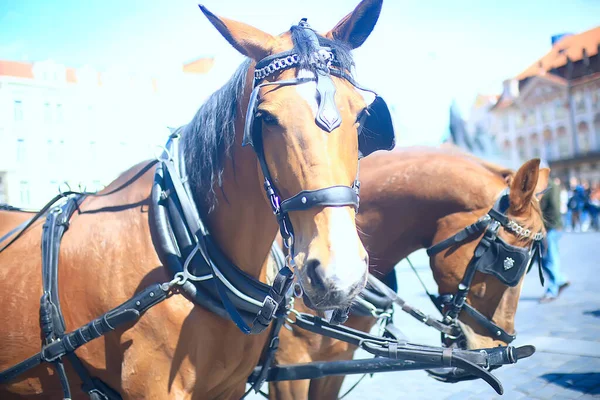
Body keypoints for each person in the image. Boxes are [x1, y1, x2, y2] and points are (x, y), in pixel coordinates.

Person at [540, 176, 571, 303]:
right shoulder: (548, 185)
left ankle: (552, 291)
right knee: (544, 259)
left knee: (549, 259)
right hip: (551, 227)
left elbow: (553, 209)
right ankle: (560, 280)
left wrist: (546, 226)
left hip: (550, 228)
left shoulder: (549, 186)